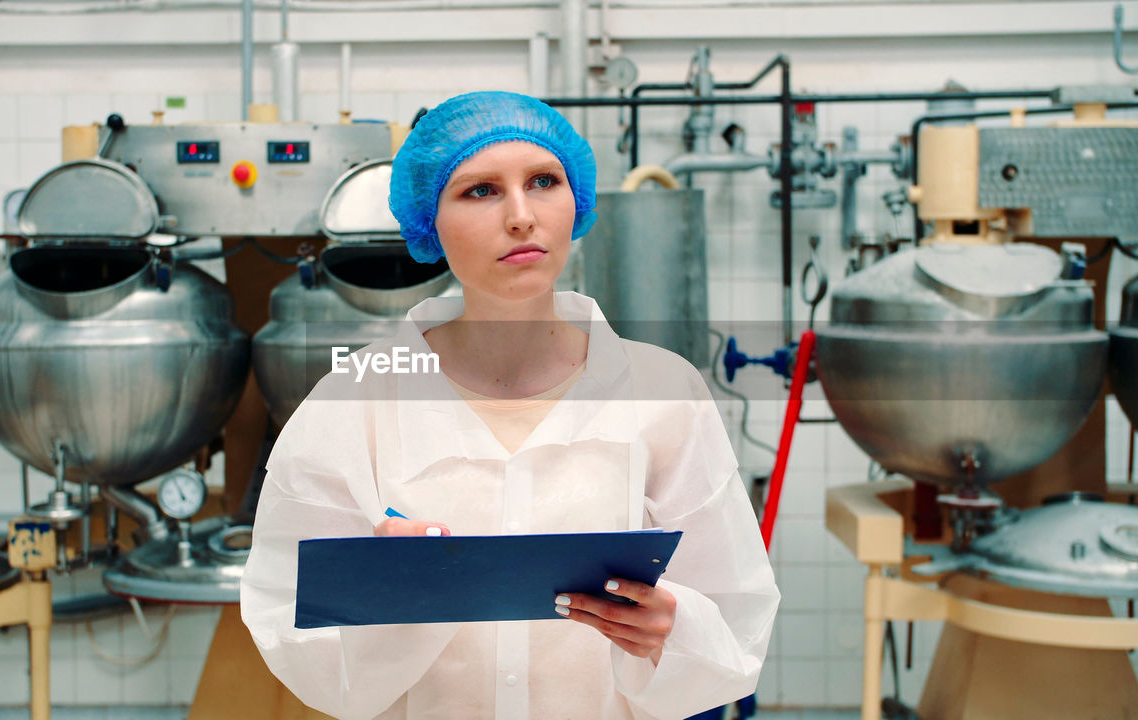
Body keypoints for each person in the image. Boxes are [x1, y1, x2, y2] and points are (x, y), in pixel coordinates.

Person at [241, 91, 779, 720]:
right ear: (428, 222)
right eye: (480, 191)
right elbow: (287, 616)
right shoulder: (359, 397)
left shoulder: (661, 391)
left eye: (544, 181)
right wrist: (388, 600)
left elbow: (736, 617)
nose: (522, 216)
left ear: (575, 199)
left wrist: (674, 630)